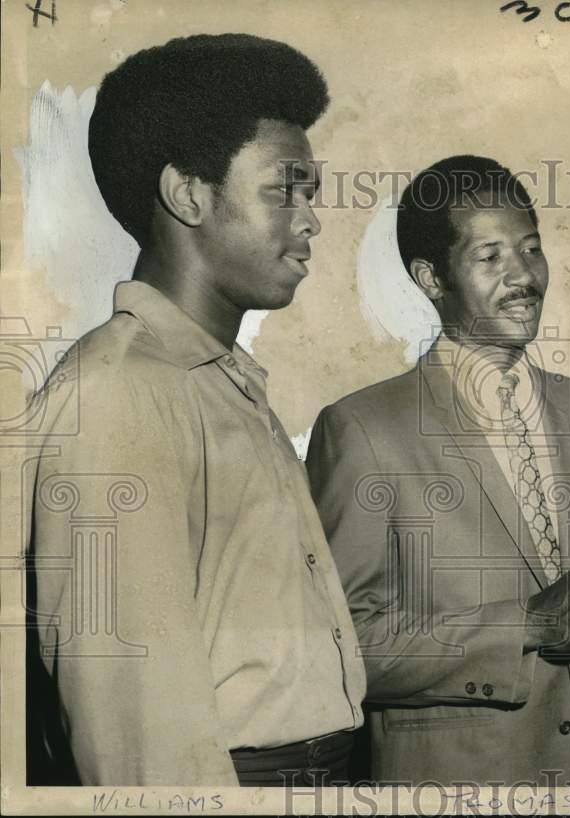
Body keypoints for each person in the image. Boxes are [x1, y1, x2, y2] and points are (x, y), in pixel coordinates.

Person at [25, 33, 365, 786]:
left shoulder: (219, 381)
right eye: (286, 188)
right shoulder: (116, 393)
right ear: (187, 194)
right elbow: (136, 738)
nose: (311, 220)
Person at [306, 155, 570, 785]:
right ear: (430, 277)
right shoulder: (362, 429)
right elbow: (341, 645)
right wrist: (530, 621)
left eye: (531, 248)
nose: (524, 275)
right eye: (491, 256)